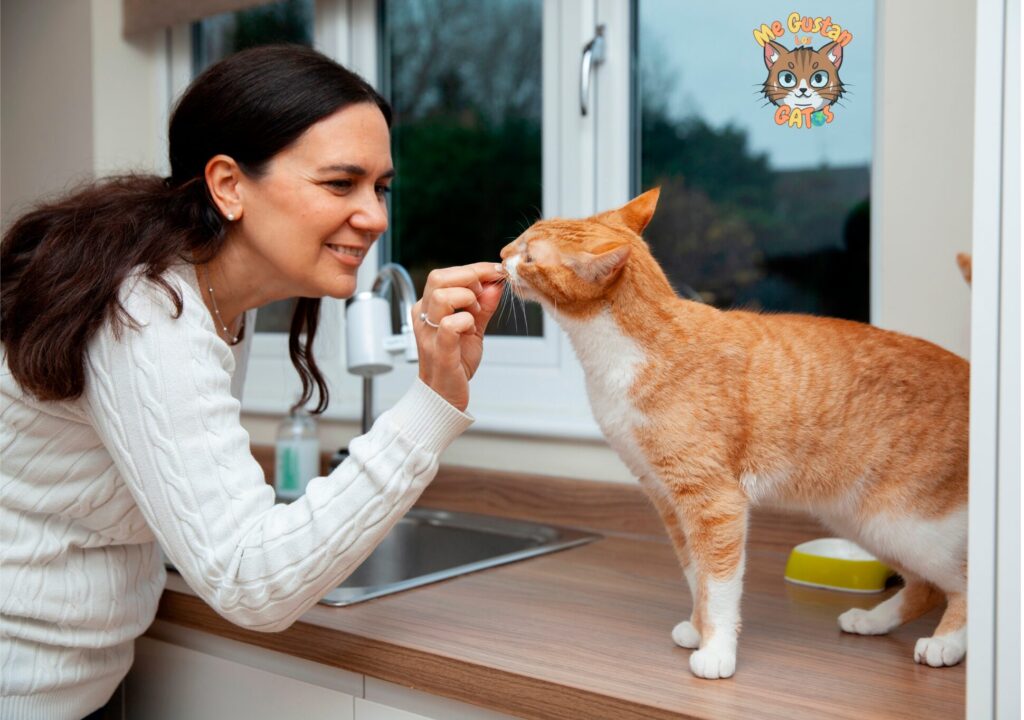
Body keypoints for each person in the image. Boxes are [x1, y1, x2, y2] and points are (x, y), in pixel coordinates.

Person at [0, 45, 503, 720]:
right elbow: (251, 583)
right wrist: (433, 403)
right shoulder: (147, 314)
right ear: (229, 185)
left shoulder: (209, 299)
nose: (376, 217)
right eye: (339, 183)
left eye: (380, 187)